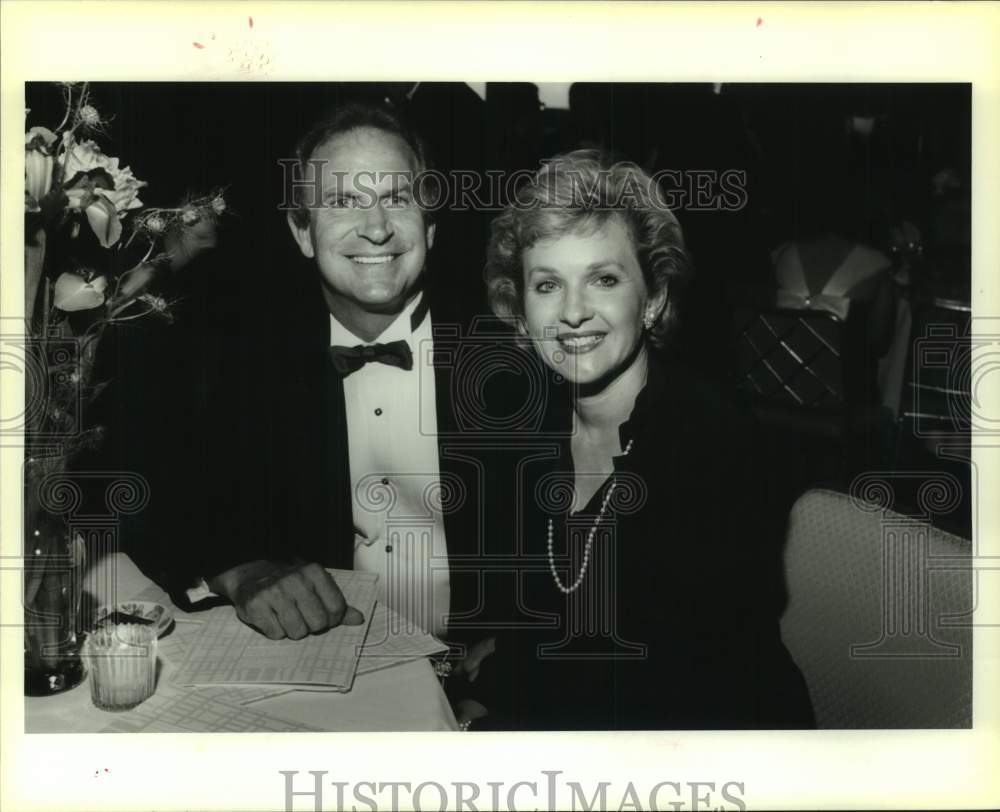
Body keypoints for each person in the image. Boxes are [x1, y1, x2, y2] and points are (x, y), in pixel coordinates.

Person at [144, 100, 508, 651]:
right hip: (329, 679)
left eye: (397, 199)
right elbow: (165, 514)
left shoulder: (509, 355)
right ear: (302, 232)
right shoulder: (246, 365)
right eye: (343, 202)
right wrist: (241, 573)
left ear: (430, 227)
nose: (377, 228)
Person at [469, 149, 815, 729]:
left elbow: (673, 684)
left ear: (652, 299)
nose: (573, 312)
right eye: (547, 284)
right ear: (521, 312)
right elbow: (543, 624)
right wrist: (490, 695)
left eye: (603, 279)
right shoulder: (528, 432)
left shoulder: (715, 446)